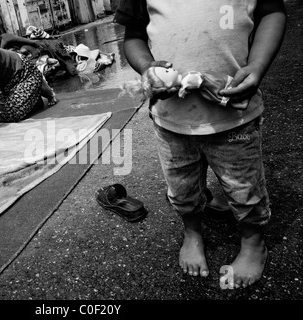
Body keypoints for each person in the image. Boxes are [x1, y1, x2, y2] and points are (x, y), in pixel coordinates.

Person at [115, 0, 286, 288]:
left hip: (234, 116)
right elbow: (134, 36)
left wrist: (257, 65)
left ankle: (253, 242)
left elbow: (272, 12)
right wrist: (147, 67)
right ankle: (192, 232)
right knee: (182, 190)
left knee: (244, 189)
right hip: (172, 120)